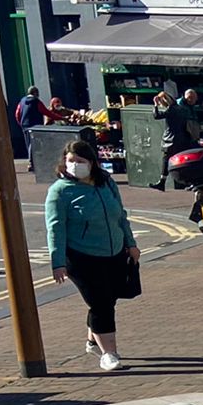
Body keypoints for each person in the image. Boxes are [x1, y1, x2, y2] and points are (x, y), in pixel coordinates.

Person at [45, 136, 139, 372]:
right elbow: (55, 228)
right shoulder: (59, 192)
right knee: (100, 303)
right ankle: (109, 353)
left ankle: (92, 341)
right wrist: (57, 263)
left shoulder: (105, 182)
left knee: (109, 297)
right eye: (70, 160)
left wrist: (130, 243)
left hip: (114, 252)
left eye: (80, 160)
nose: (74, 164)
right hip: (81, 257)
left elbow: (120, 215)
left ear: (92, 162)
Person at [151, 87, 201, 189]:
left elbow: (156, 116)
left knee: (166, 160)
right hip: (184, 139)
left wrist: (155, 105)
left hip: (171, 140)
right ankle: (189, 182)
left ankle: (162, 182)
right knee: (184, 160)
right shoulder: (182, 108)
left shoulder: (171, 110)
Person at [12, 84, 45, 157]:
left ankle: (30, 160)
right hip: (36, 125)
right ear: (35, 93)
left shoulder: (22, 101)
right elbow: (46, 112)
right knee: (35, 142)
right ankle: (33, 160)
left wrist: (21, 123)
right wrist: (61, 117)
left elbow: (17, 113)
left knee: (28, 143)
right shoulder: (36, 101)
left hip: (25, 125)